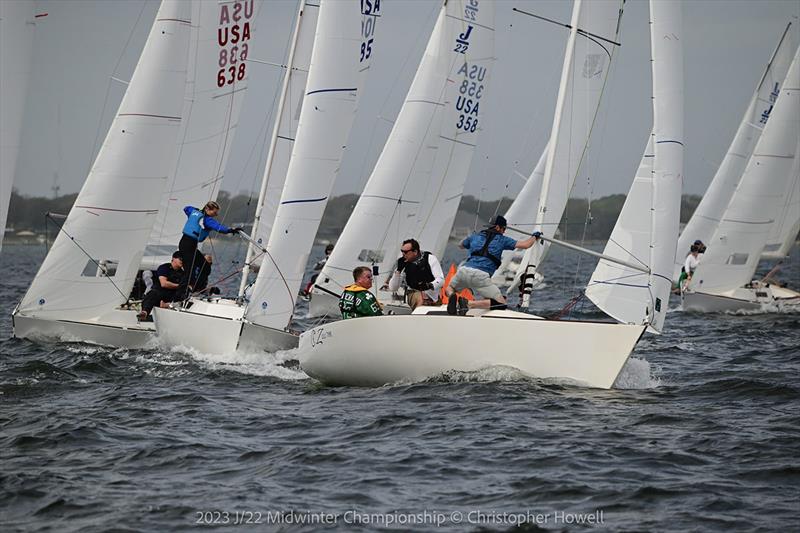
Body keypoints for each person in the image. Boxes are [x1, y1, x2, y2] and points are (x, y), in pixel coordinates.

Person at [446, 215, 540, 315]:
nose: (504, 231)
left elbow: (460, 245)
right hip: (480, 276)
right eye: (504, 229)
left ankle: (452, 296)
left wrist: (470, 239)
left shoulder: (475, 236)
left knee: (449, 288)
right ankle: (468, 304)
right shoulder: (502, 240)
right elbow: (526, 245)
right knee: (501, 303)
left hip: (463, 271)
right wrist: (534, 236)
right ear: (498, 228)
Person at [179, 201, 240, 297]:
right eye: (214, 213)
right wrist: (231, 230)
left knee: (205, 266)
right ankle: (181, 295)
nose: (216, 215)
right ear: (207, 209)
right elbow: (219, 228)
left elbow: (186, 208)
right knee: (189, 271)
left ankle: (197, 288)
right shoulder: (207, 220)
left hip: (187, 244)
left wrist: (197, 211)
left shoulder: (194, 212)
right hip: (188, 244)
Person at [381, 238, 445, 310]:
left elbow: (441, 279)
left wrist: (429, 285)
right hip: (413, 292)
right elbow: (393, 288)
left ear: (415, 251)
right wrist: (398, 271)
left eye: (406, 252)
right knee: (421, 301)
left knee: (437, 308)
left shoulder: (430, 258)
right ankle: (419, 314)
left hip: (432, 294)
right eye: (402, 251)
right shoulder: (403, 263)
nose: (403, 254)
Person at [138, 252, 184, 321]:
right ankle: (145, 312)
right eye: (180, 259)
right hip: (160, 292)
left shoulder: (183, 273)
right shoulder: (164, 267)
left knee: (182, 297)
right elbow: (164, 283)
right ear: (173, 258)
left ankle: (166, 305)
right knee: (152, 294)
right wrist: (179, 286)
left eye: (183, 260)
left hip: (172, 295)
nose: (182, 261)